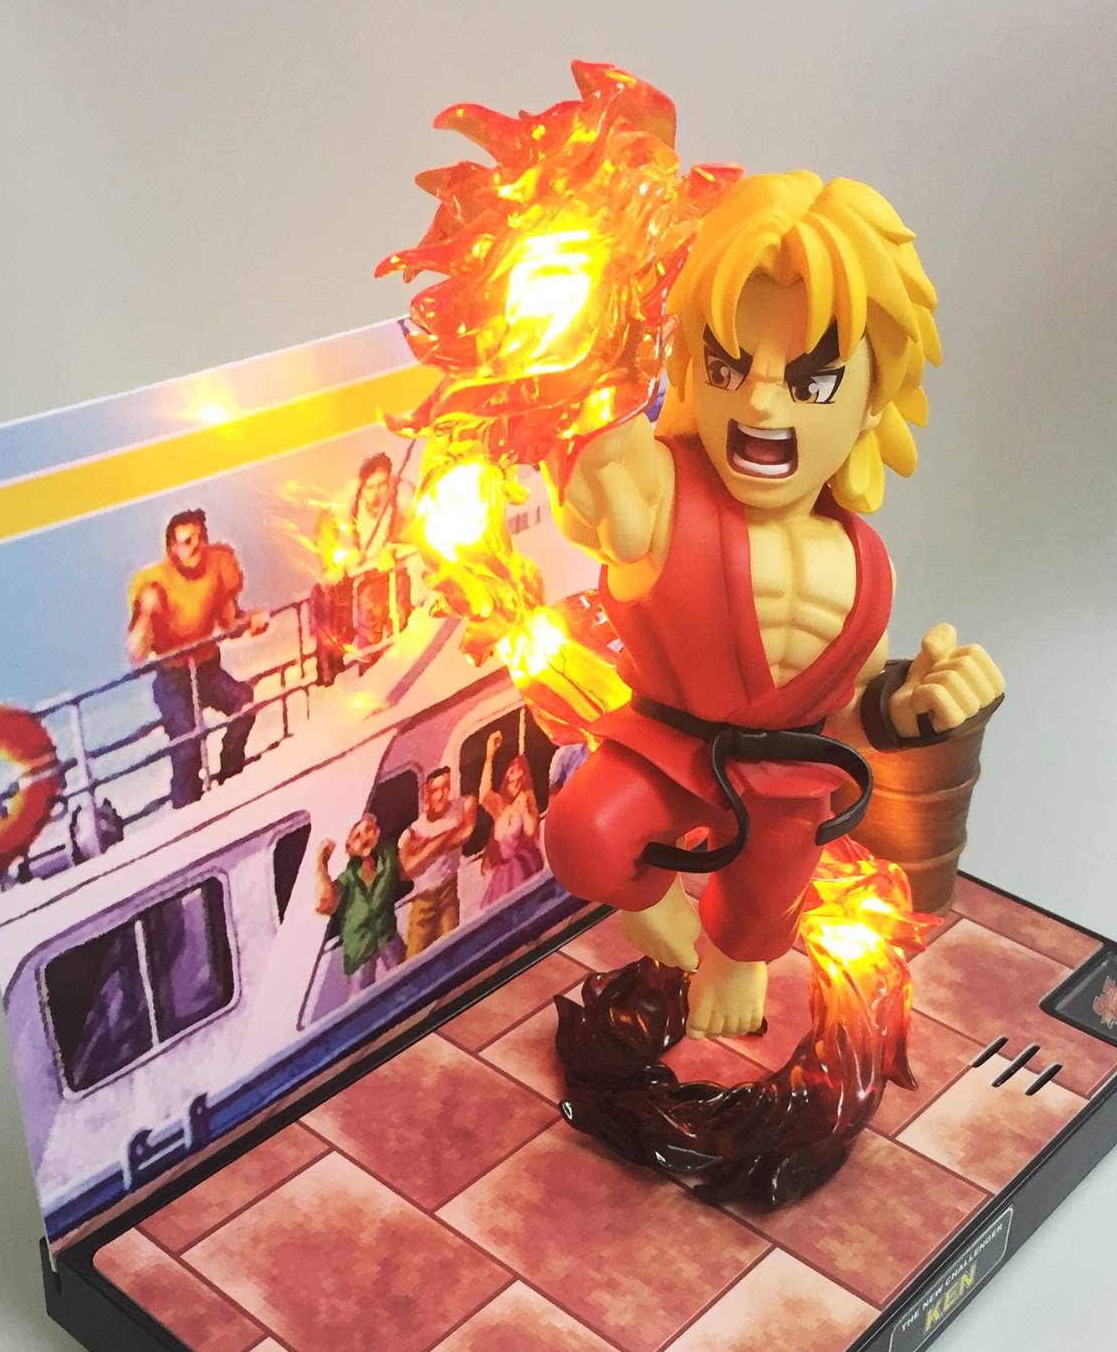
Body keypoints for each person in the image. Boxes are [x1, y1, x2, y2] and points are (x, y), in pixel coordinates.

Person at [542, 172, 1005, 1039]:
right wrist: (595, 440)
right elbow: (601, 467)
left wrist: (911, 706)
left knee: (771, 890)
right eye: (727, 366)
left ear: (873, 398)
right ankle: (650, 901)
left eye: (810, 382)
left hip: (786, 780)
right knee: (584, 833)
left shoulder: (867, 567)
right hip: (666, 750)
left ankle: (737, 955)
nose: (758, 401)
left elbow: (847, 707)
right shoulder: (666, 492)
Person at [127, 509, 270, 808]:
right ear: (172, 549)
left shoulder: (218, 565)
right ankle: (187, 809)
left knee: (245, 704)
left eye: (199, 538)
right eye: (186, 541)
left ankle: (231, 778)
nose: (195, 546)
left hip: (207, 669)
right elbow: (136, 653)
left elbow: (230, 623)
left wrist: (251, 620)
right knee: (187, 744)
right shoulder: (154, 583)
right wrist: (146, 614)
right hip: (173, 678)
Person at [314, 814, 405, 996]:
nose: (364, 838)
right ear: (349, 848)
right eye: (357, 836)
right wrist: (321, 861)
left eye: (369, 830)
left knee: (406, 978)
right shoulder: (348, 879)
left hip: (387, 934)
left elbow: (409, 865)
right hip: (359, 947)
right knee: (360, 994)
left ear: (377, 832)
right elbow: (324, 904)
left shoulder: (388, 858)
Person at [397, 765, 477, 957]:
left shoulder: (463, 805)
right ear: (426, 794)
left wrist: (426, 848)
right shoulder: (412, 831)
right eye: (435, 790)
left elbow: (465, 833)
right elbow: (407, 871)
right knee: (415, 955)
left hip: (449, 890)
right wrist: (446, 838)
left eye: (446, 787)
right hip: (424, 898)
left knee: (452, 946)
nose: (442, 795)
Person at [350, 452, 414, 657]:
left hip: (396, 574)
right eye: (370, 487)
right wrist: (343, 560)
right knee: (369, 636)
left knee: (401, 625)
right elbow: (328, 536)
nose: (376, 493)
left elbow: (414, 525)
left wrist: (393, 546)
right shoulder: (352, 509)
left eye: (382, 485)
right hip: (367, 581)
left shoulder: (401, 499)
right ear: (362, 489)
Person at [477, 732, 543, 906]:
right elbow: (484, 795)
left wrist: (524, 806)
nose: (514, 771)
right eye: (511, 768)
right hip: (502, 872)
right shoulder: (500, 805)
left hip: (523, 866)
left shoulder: (526, 800)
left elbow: (531, 831)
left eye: (518, 768)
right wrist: (490, 755)